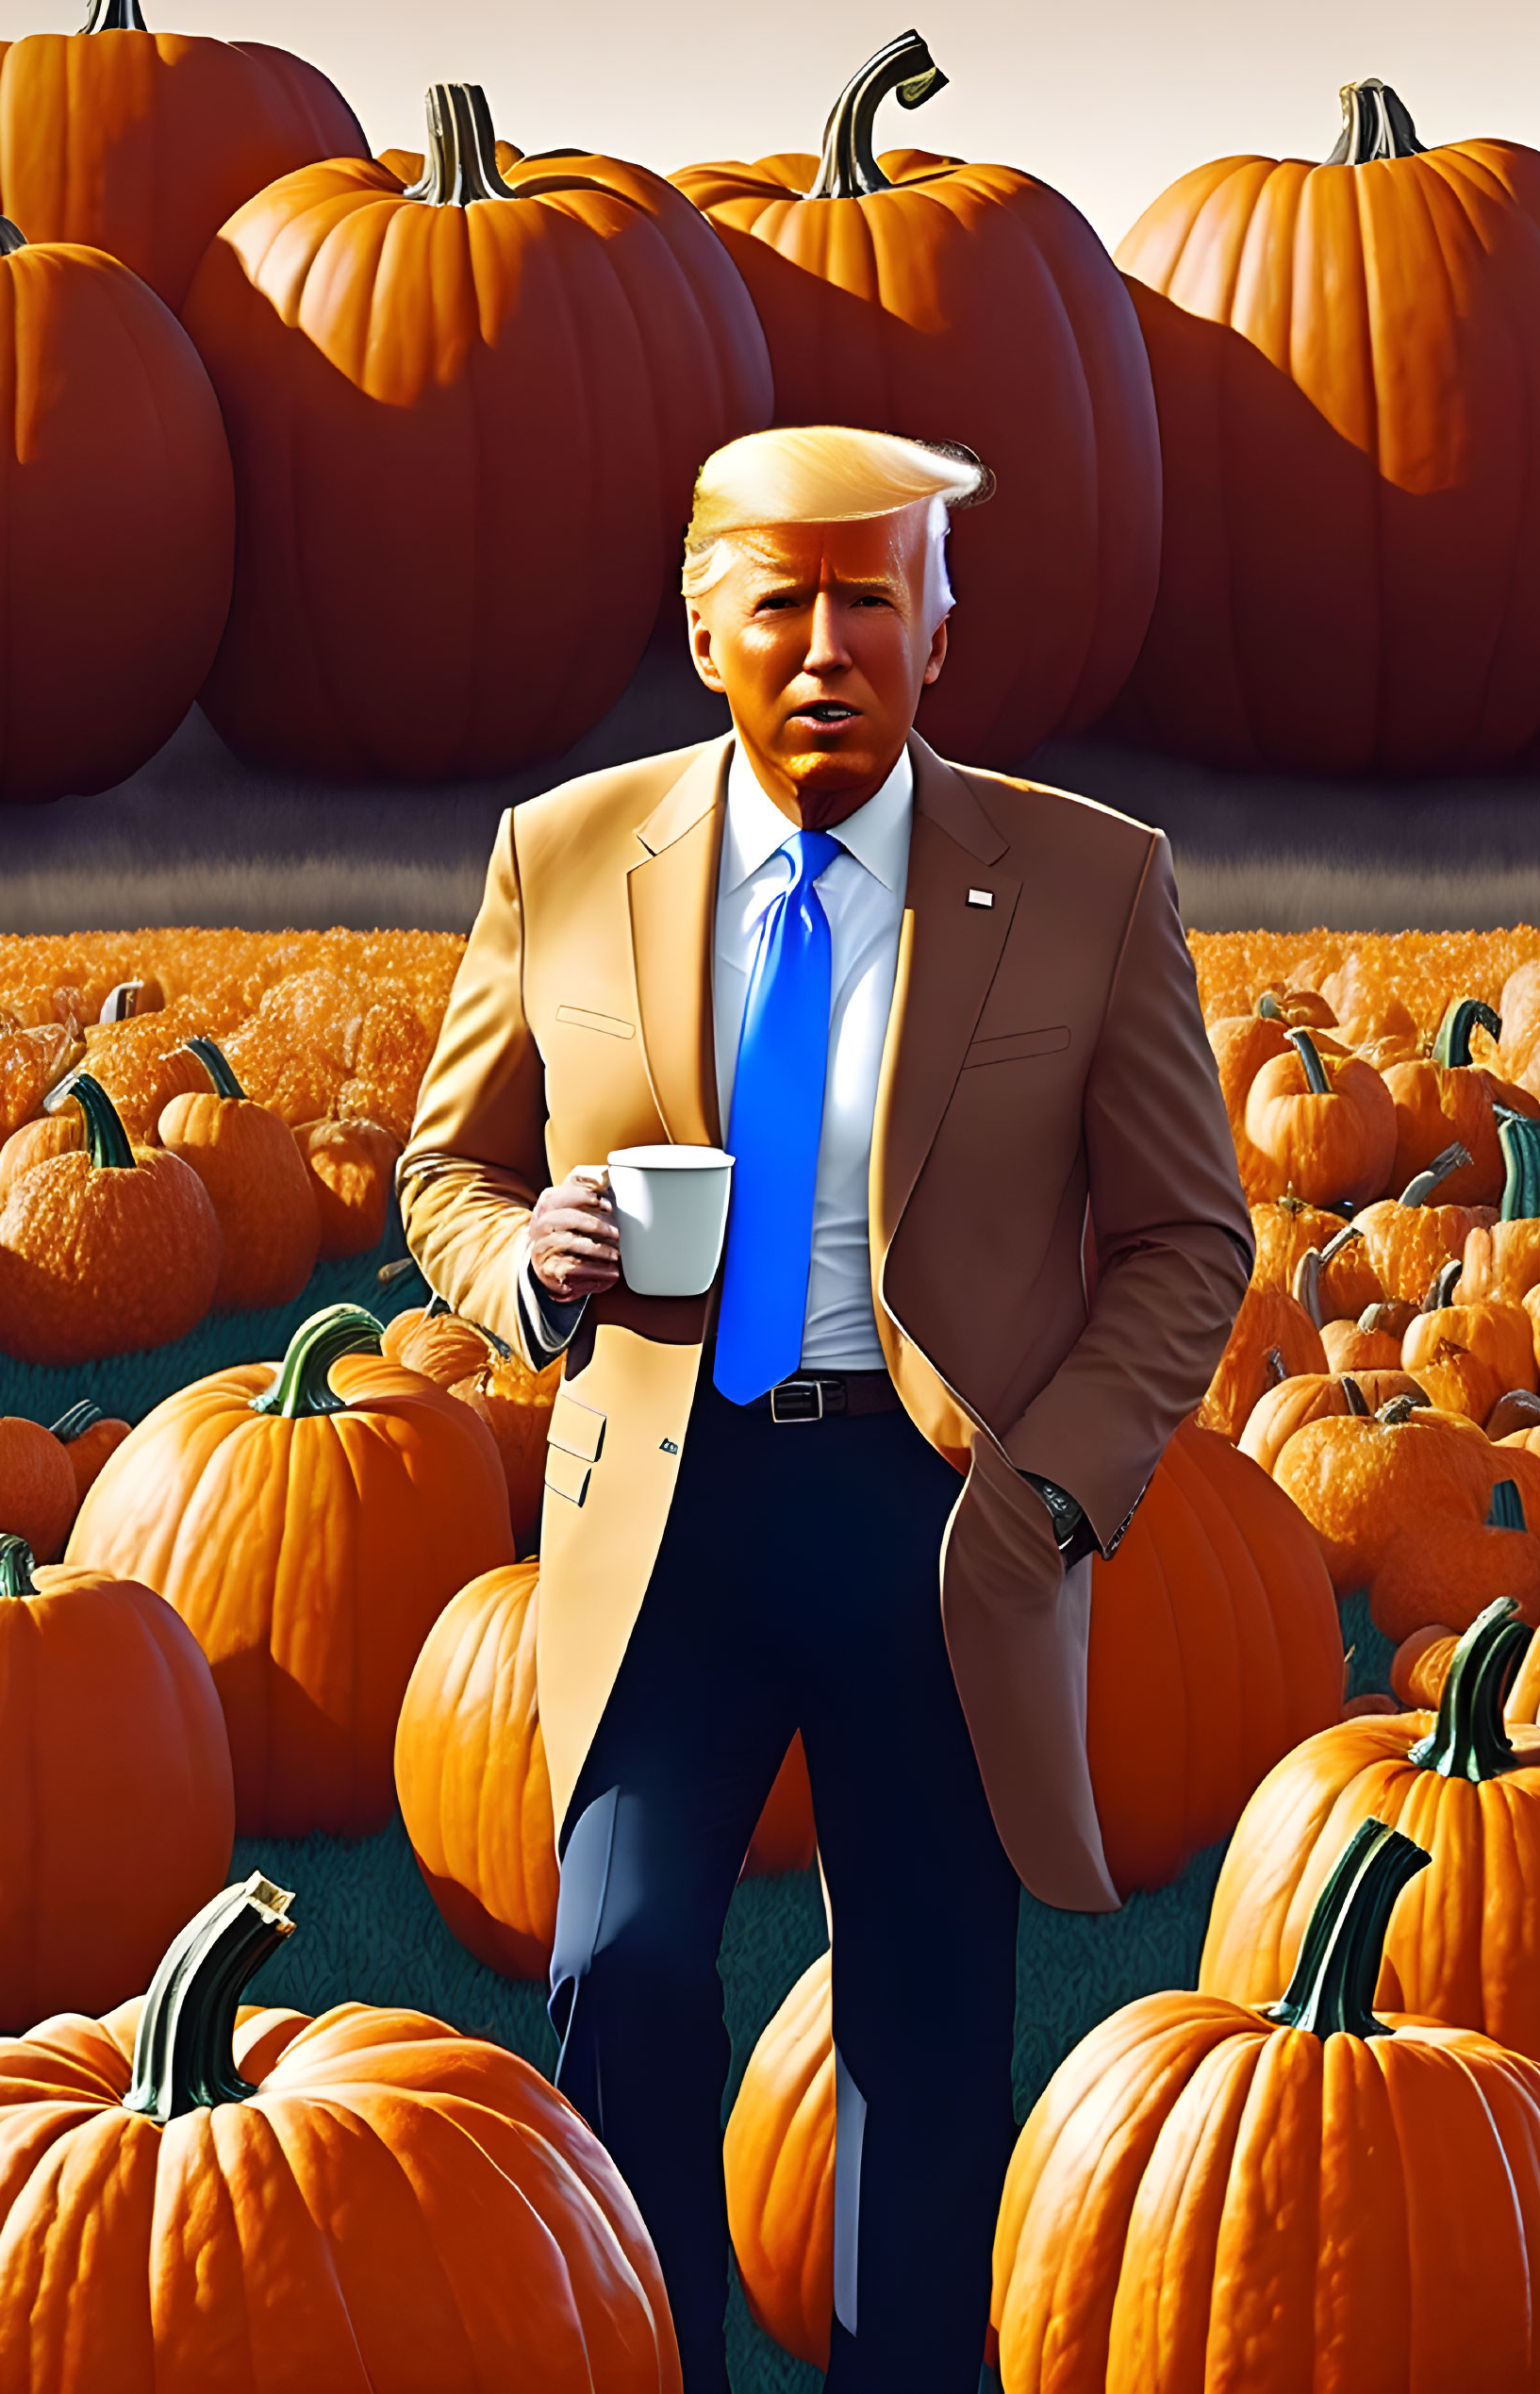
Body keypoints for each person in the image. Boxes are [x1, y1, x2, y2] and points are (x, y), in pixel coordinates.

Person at [397, 424, 1252, 2391]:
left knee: (929, 2018)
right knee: (618, 1965)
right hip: (666, 1509)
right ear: (704, 626)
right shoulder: (563, 852)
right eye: (780, 598)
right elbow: (445, 1172)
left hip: (935, 1512)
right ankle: (644, 2363)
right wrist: (534, 1261)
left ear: (943, 629)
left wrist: (1054, 1492)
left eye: (874, 595)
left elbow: (1191, 1235)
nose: (825, 642)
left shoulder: (1086, 880)